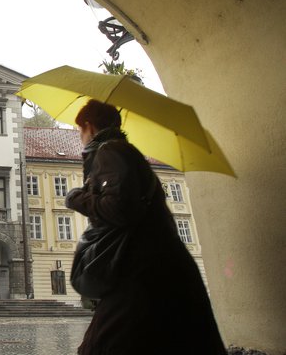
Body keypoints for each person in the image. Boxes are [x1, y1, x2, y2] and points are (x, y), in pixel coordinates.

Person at [66, 99, 226, 355]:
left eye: (80, 132)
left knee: (102, 346)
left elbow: (119, 209)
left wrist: (76, 197)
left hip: (137, 272)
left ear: (88, 126)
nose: (80, 138)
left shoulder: (111, 151)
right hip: (156, 269)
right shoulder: (125, 153)